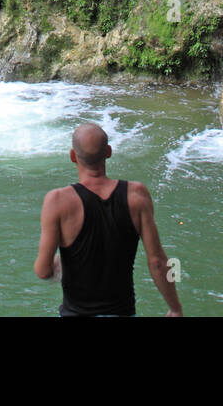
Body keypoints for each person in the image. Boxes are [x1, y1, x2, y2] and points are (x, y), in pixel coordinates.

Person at [34, 122, 183, 317]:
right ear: (109, 152)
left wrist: (59, 263)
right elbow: (158, 262)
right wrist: (175, 308)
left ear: (72, 156)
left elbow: (43, 271)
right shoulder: (137, 195)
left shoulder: (58, 201)